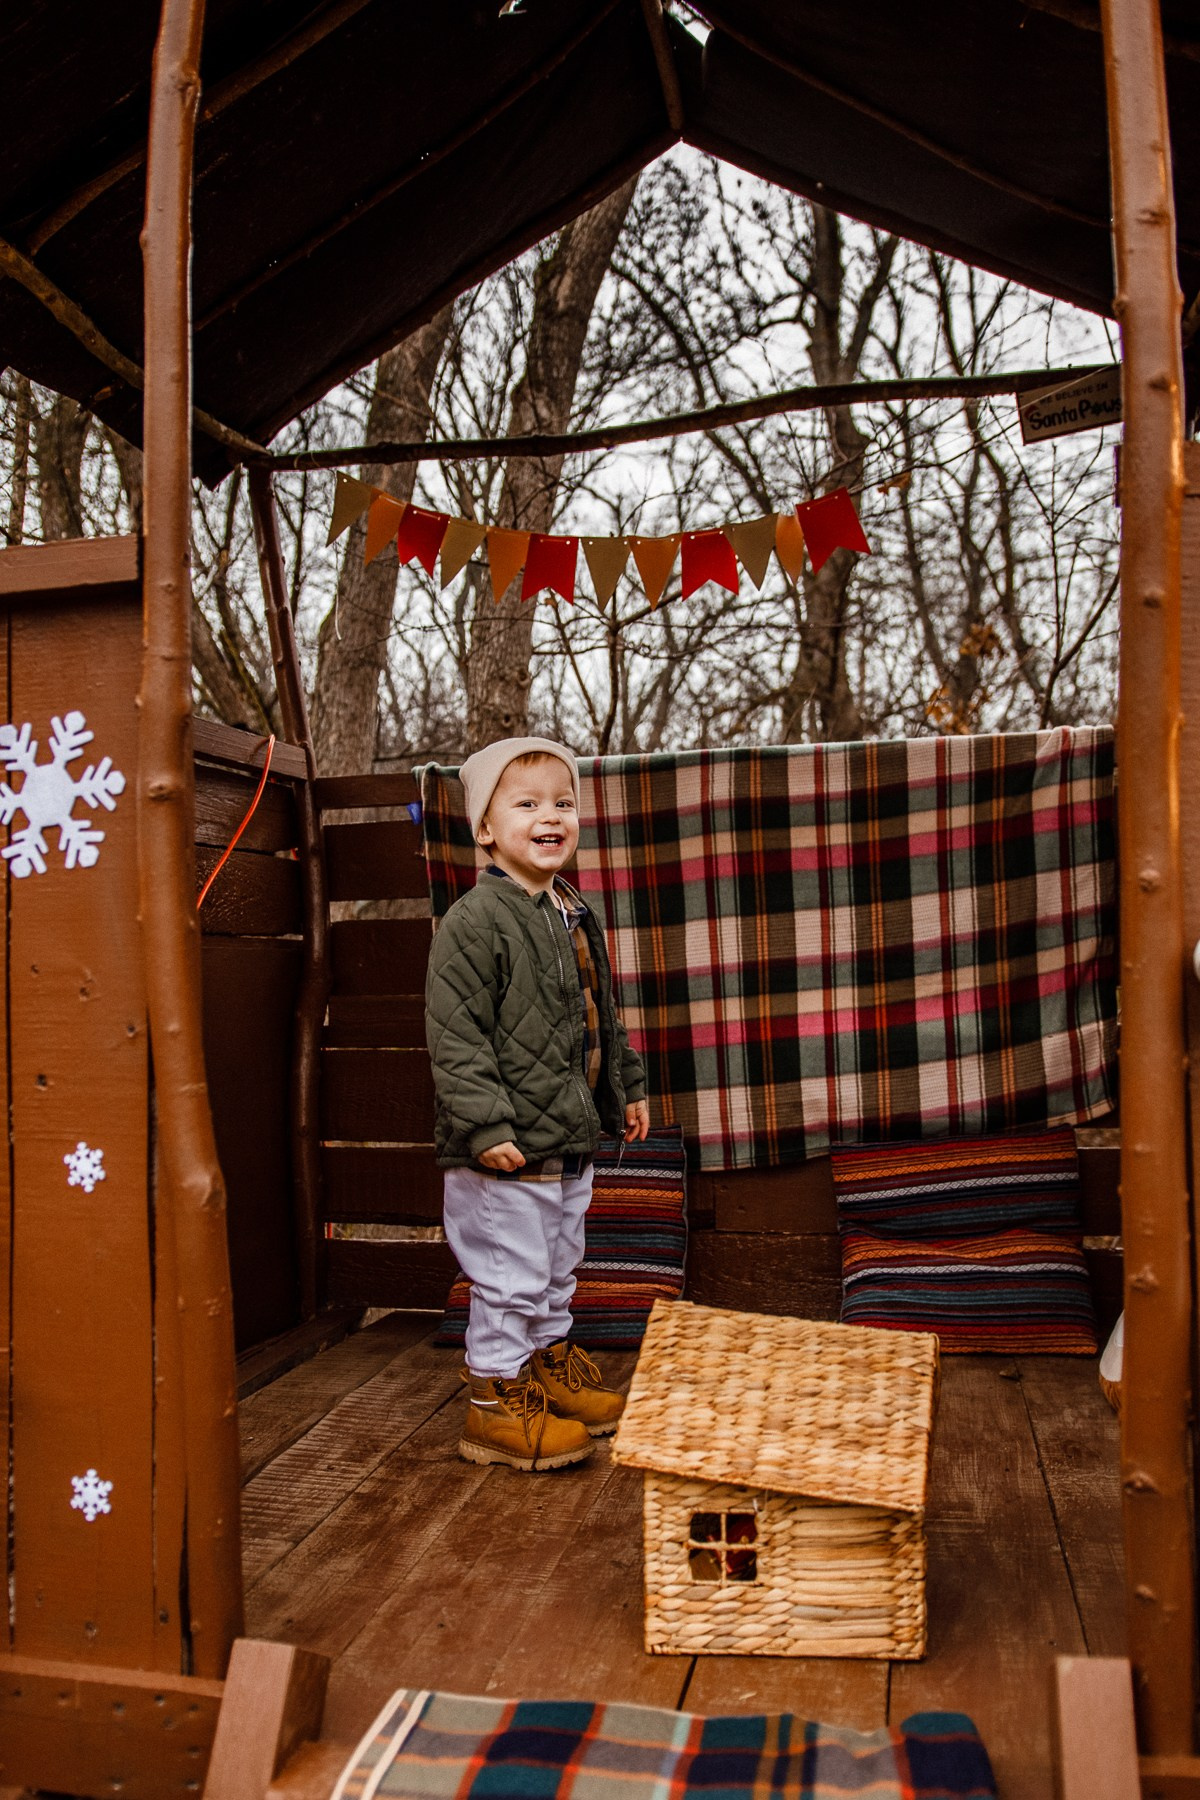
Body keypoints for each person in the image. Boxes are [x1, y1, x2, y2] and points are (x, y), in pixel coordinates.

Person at [426, 737, 650, 1471]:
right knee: (510, 1275)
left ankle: (545, 1367)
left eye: (563, 802)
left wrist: (627, 1088)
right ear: (486, 829)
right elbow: (456, 1035)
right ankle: (494, 1402)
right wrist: (484, 1123)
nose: (550, 816)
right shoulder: (475, 921)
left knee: (557, 1267)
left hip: (566, 1139)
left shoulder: (572, 912)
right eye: (527, 804)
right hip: (504, 1150)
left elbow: (600, 1018)